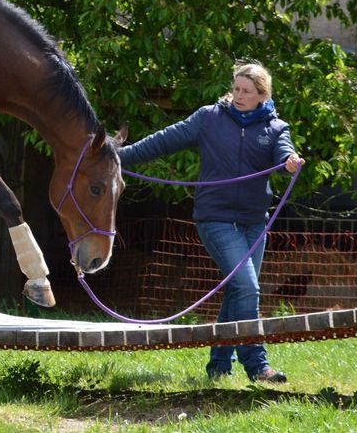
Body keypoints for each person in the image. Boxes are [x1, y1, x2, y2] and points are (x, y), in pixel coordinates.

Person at [118, 62, 303, 383]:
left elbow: (283, 152)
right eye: (236, 88)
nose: (238, 95)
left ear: (262, 95)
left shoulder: (275, 128)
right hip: (215, 219)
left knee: (237, 291)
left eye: (246, 91)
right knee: (247, 287)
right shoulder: (209, 118)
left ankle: (218, 365)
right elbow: (163, 140)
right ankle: (257, 365)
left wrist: (290, 162)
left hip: (253, 223)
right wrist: (118, 156)